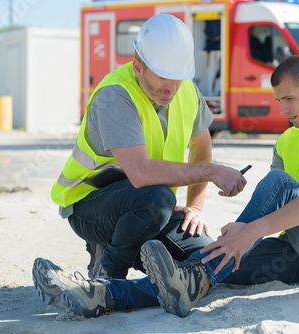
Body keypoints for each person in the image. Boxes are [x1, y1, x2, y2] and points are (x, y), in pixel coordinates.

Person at [32, 55, 299, 319]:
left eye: (289, 99)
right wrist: (238, 237)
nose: (282, 109)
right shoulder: (286, 142)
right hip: (297, 249)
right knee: (208, 259)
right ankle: (103, 295)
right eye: (278, 100)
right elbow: (282, 210)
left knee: (266, 196)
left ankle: (200, 274)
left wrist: (251, 230)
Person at [49, 14, 246, 281]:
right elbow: (141, 174)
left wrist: (195, 208)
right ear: (138, 66)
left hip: (150, 209)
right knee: (157, 199)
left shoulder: (185, 89)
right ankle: (110, 275)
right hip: (90, 205)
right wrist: (211, 172)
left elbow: (201, 142)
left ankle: (133, 250)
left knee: (204, 256)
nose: (172, 87)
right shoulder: (115, 96)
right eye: (164, 77)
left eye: (178, 77)